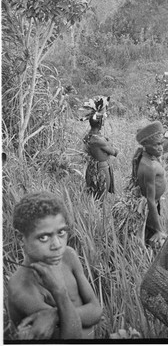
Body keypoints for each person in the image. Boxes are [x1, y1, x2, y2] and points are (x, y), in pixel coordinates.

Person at [7, 191, 102, 340]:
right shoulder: (22, 288)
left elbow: (96, 310)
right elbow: (71, 337)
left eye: (61, 232)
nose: (57, 245)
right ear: (21, 239)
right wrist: (59, 291)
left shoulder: (68, 256)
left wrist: (54, 314)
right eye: (44, 237)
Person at [135, 121, 168, 247]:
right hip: (150, 208)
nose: (161, 147)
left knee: (151, 235)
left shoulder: (151, 158)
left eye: (161, 143)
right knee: (154, 238)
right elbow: (150, 200)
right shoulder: (149, 167)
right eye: (157, 145)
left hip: (154, 204)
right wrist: (159, 229)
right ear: (146, 145)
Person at [84, 114, 118, 200]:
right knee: (102, 198)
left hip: (91, 168)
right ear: (100, 124)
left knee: (94, 197)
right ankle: (101, 213)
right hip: (102, 168)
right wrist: (108, 142)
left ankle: (94, 212)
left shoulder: (87, 137)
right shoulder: (99, 140)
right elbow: (114, 152)